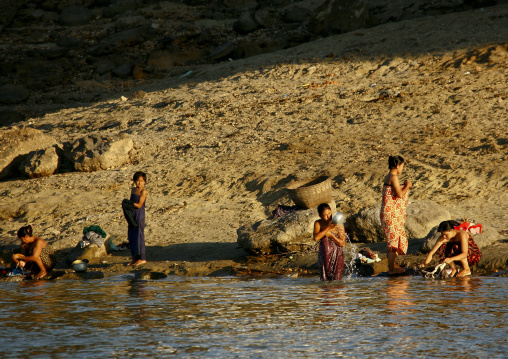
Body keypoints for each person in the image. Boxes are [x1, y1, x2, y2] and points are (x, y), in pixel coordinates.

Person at [380, 155, 412, 275]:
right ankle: (391, 268)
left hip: (390, 213)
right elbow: (399, 194)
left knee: (398, 239)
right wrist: (408, 186)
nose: (402, 169)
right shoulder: (393, 177)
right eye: (402, 166)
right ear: (397, 165)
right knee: (393, 240)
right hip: (390, 214)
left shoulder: (391, 176)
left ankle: (393, 265)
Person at [314, 203, 346, 281]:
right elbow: (316, 238)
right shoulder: (318, 223)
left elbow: (343, 244)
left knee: (337, 279)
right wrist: (328, 228)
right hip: (325, 255)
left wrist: (331, 235)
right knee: (325, 280)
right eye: (325, 215)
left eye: (329, 213)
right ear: (320, 216)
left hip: (337, 254)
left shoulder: (339, 224)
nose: (328, 216)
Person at [127, 171, 148, 266]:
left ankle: (142, 258)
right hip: (132, 213)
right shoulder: (133, 190)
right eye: (138, 181)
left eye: (141, 181)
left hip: (139, 214)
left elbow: (139, 205)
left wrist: (130, 204)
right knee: (132, 235)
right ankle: (135, 258)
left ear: (144, 182)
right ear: (135, 181)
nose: (139, 183)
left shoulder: (143, 192)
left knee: (139, 236)